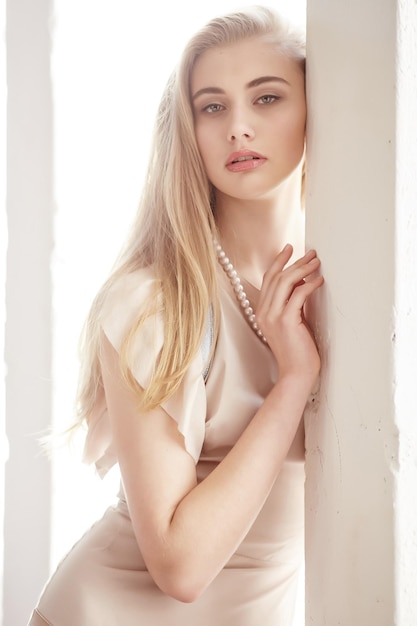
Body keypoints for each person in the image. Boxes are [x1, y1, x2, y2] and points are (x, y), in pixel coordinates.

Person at [29, 5, 324, 625]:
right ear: (186, 128)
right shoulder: (154, 304)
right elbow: (180, 568)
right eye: (212, 106)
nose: (239, 127)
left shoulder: (348, 288)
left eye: (267, 98)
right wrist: (292, 381)